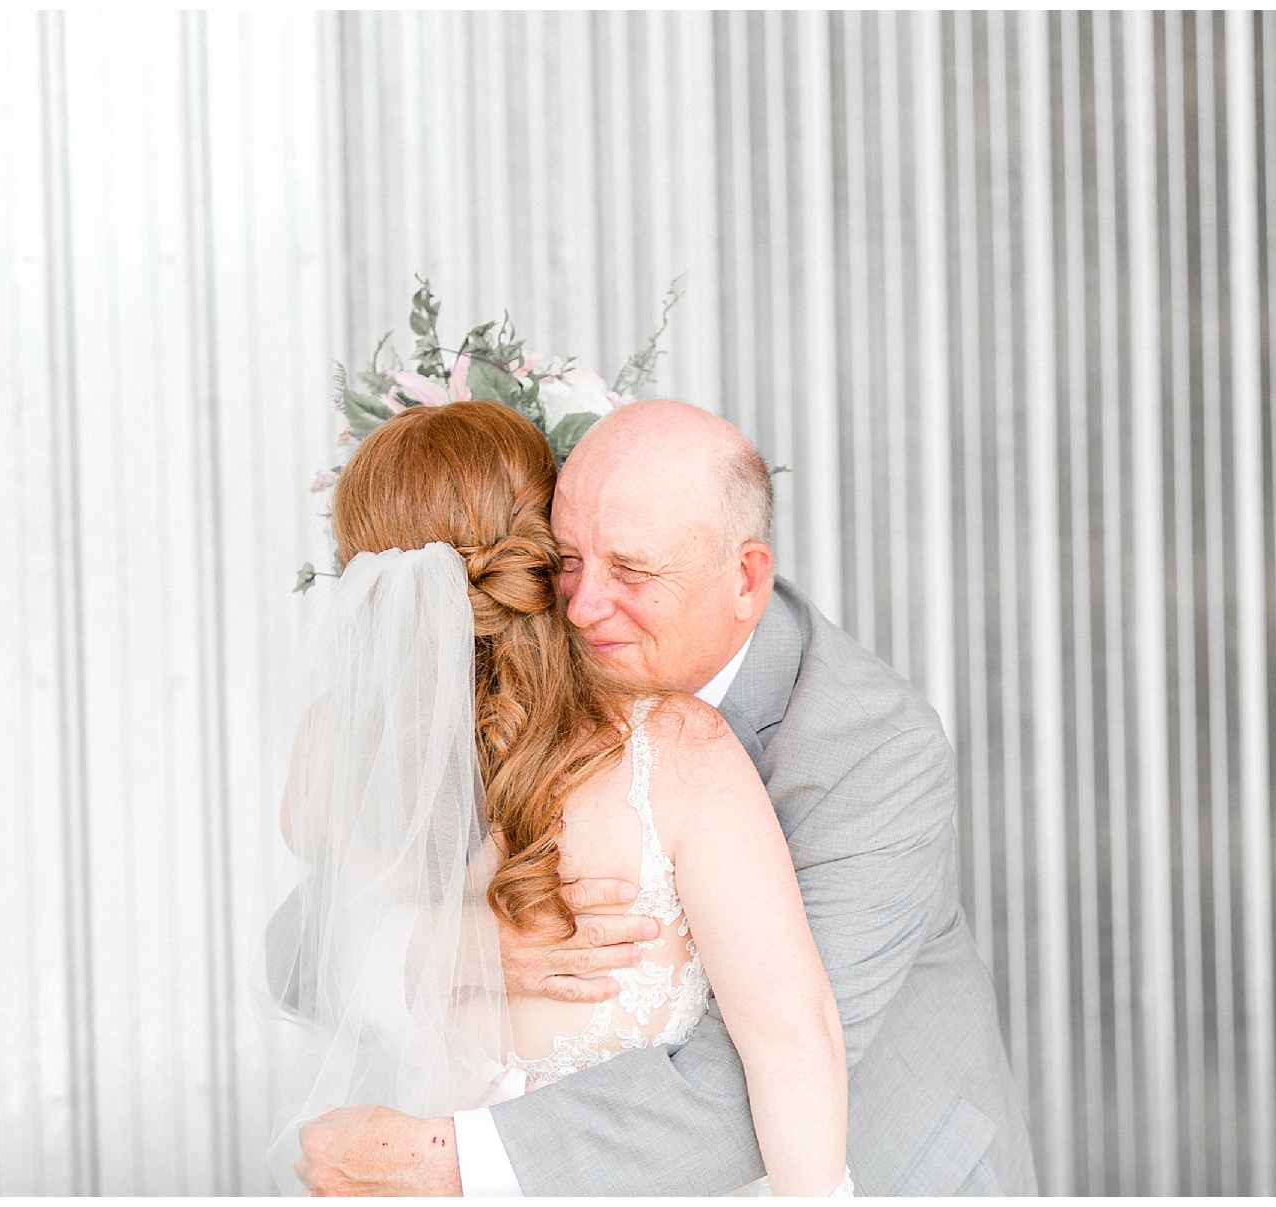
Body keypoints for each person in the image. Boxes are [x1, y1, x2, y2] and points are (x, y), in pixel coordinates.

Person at [293, 398, 1039, 1196]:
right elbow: (298, 952)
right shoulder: (497, 709)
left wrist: (447, 1159)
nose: (580, 608)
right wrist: (473, 944)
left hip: (888, 1166)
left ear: (746, 577)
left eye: (633, 570)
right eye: (566, 559)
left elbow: (761, 1070)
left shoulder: (872, 752)